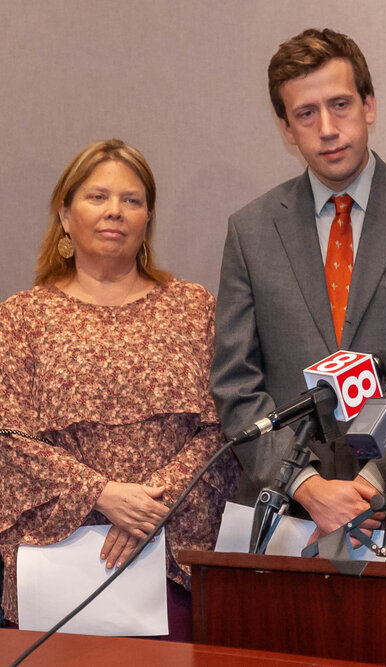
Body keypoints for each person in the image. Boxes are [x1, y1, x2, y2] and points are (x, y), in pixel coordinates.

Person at [210, 29, 386, 537]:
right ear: (286, 128)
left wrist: (375, 480)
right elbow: (235, 382)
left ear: (369, 105)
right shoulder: (250, 229)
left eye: (341, 104)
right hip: (288, 513)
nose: (327, 128)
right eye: (306, 114)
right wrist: (303, 483)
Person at [0, 139, 238, 639]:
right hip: (61, 563)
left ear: (148, 217)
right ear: (64, 215)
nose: (115, 212)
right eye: (97, 197)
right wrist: (104, 494)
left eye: (132, 200)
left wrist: (152, 506)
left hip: (174, 559)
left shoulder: (193, 307)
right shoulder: (21, 316)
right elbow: (8, 438)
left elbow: (226, 425)